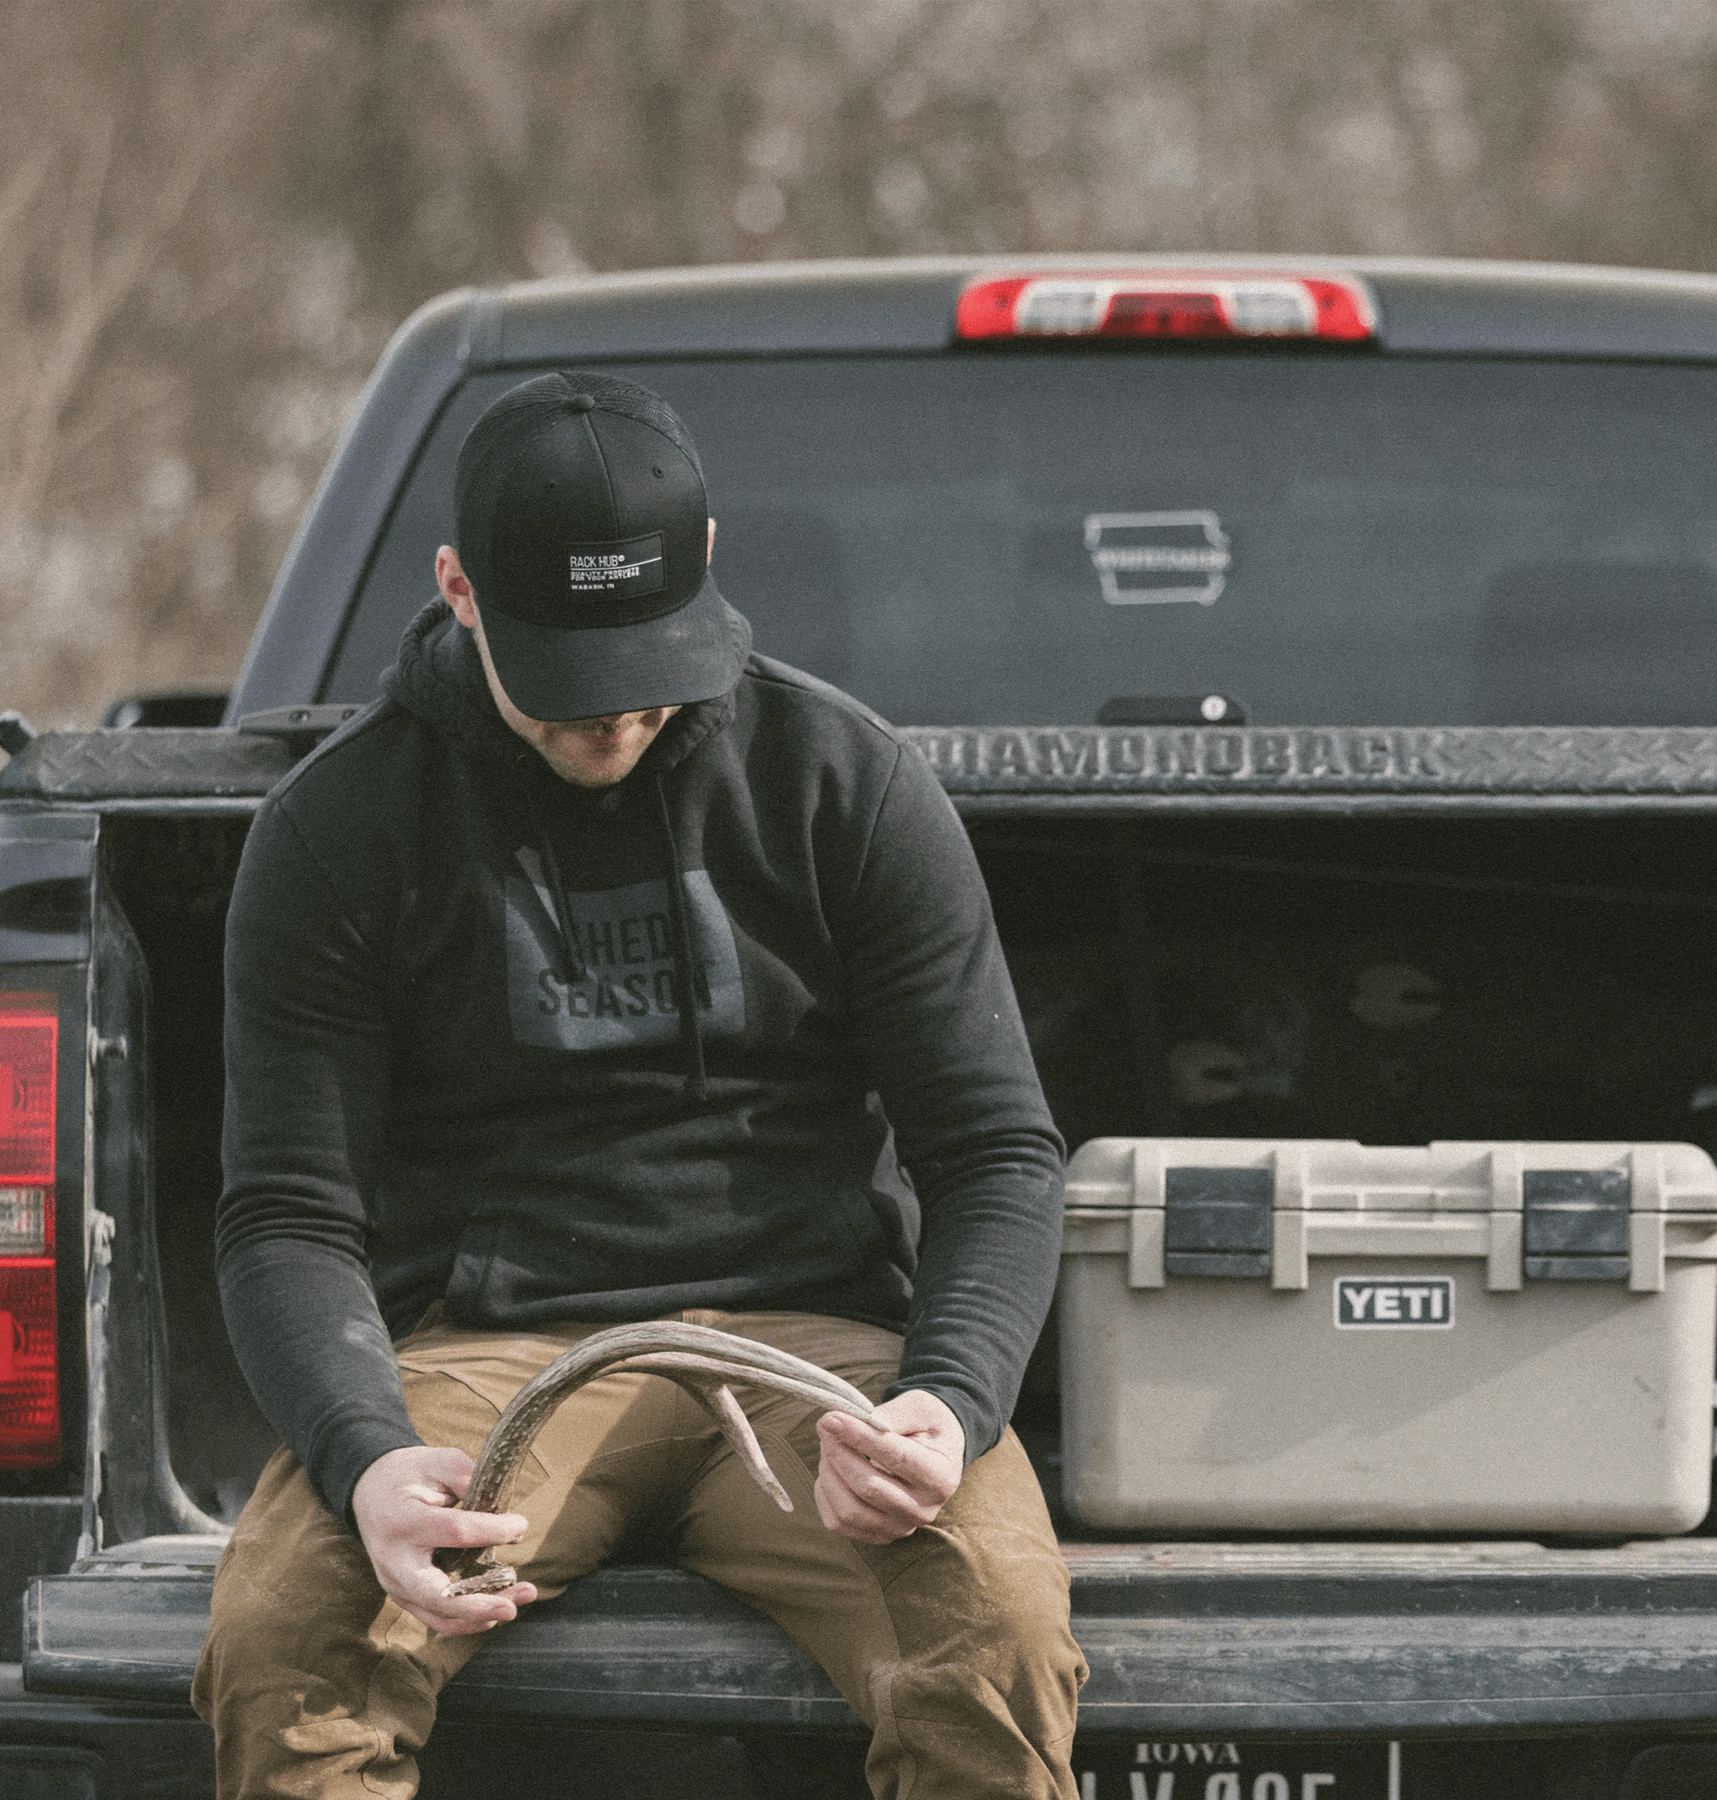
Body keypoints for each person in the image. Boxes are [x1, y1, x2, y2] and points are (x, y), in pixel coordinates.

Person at [191, 370, 1085, 1798]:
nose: (613, 721)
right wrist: (365, 1458)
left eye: (647, 670)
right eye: (569, 685)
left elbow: (993, 1153)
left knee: (995, 1626)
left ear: (711, 562)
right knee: (291, 1641)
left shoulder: (843, 782)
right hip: (489, 1352)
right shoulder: (340, 831)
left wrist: (946, 1406)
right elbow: (286, 1218)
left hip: (812, 1351)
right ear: (459, 590)